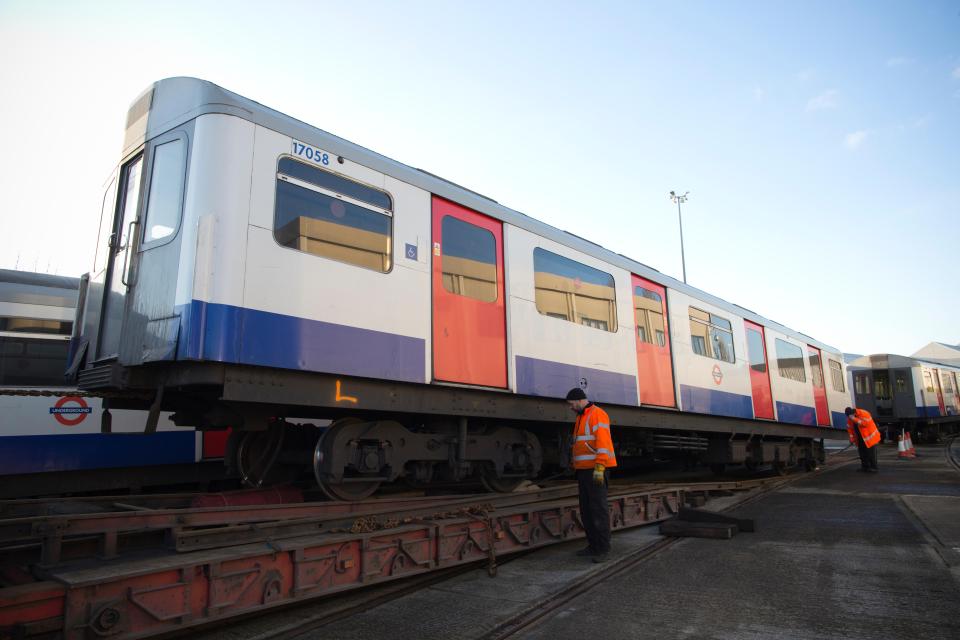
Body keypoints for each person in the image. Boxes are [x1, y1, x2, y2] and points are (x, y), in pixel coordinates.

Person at [566, 387, 618, 562]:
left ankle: (603, 548)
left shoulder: (598, 414)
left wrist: (600, 469)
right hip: (583, 470)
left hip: (596, 469)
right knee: (587, 510)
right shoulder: (581, 417)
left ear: (580, 400)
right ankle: (593, 546)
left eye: (572, 404)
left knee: (598, 509)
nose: (570, 407)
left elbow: (603, 443)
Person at [845, 406, 880, 472]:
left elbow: (865, 424)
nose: (849, 418)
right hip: (860, 438)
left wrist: (854, 419)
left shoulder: (864, 413)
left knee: (871, 453)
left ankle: (874, 467)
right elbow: (849, 428)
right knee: (862, 453)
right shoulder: (850, 418)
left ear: (853, 412)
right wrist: (851, 438)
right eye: (848, 416)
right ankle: (865, 467)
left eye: (849, 416)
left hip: (870, 438)